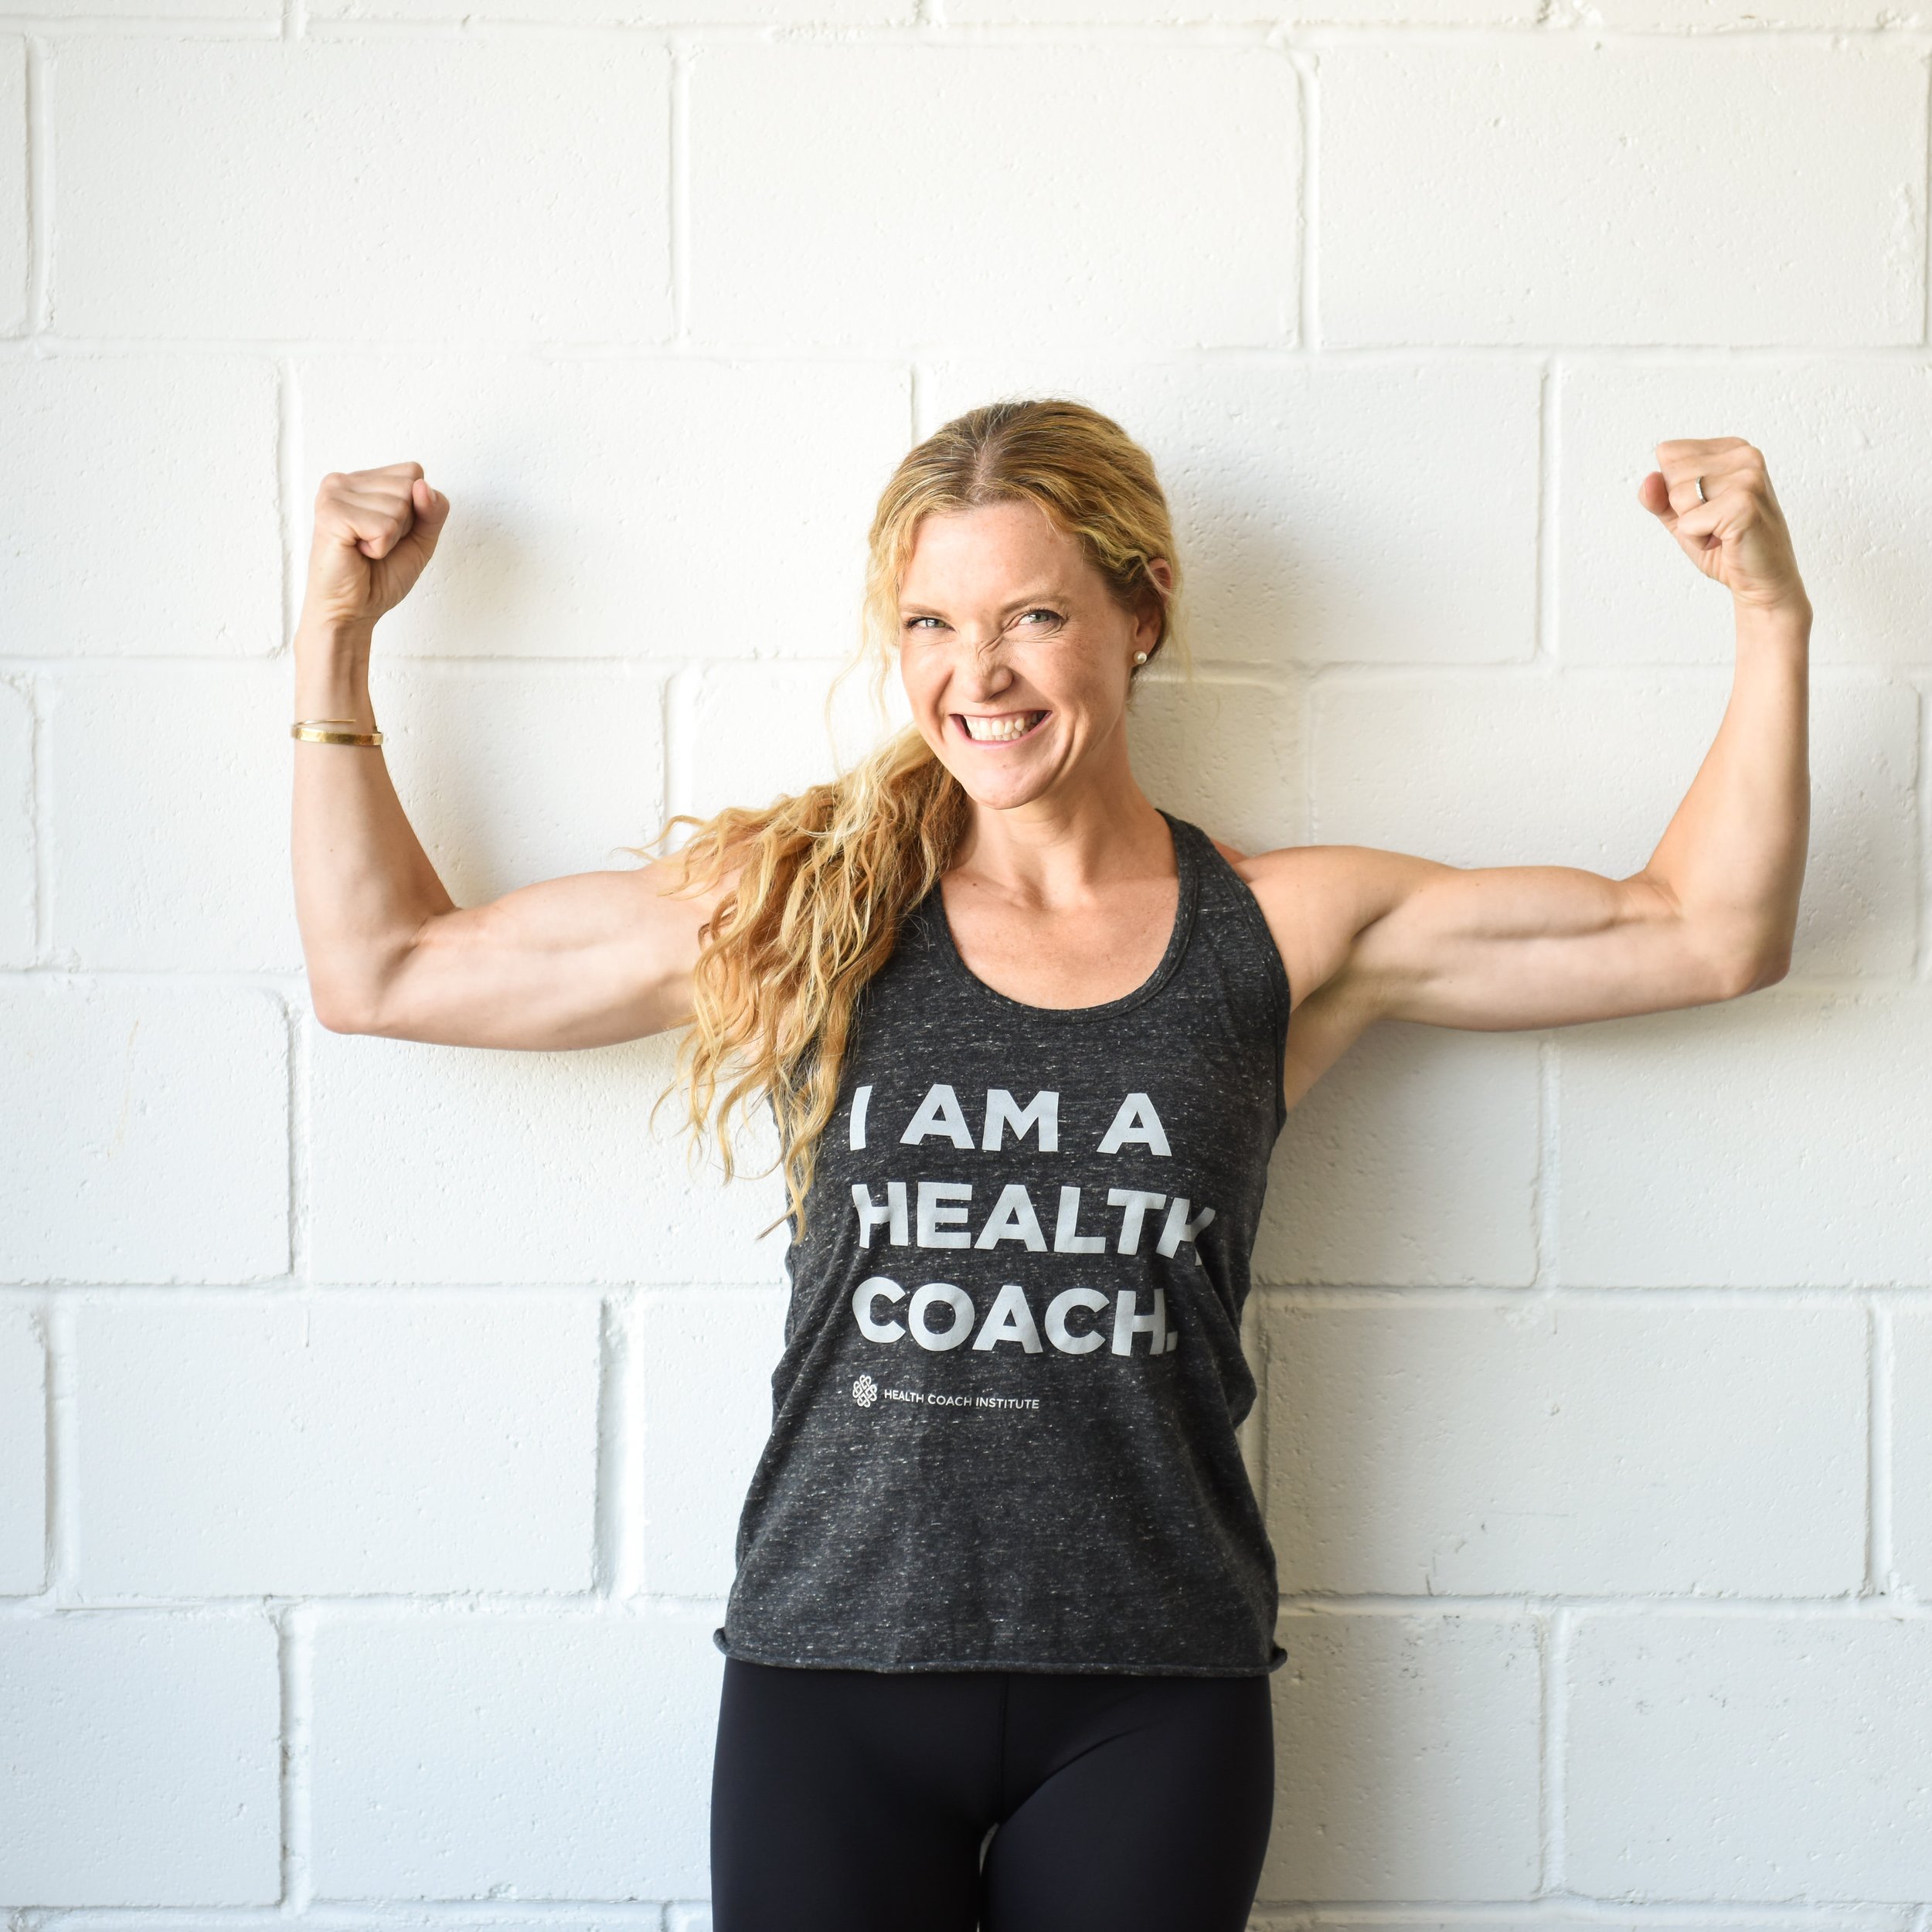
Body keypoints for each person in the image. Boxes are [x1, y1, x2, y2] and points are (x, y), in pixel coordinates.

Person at [288, 400, 1812, 1931]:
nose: (978, 671)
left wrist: (1766, 612)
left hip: (1149, 1697)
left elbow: (1702, 929)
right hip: (831, 1677)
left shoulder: (1271, 930)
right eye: (931, 622)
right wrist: (337, 636)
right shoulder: (812, 909)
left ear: (1139, 612)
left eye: (1032, 614)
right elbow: (388, 967)